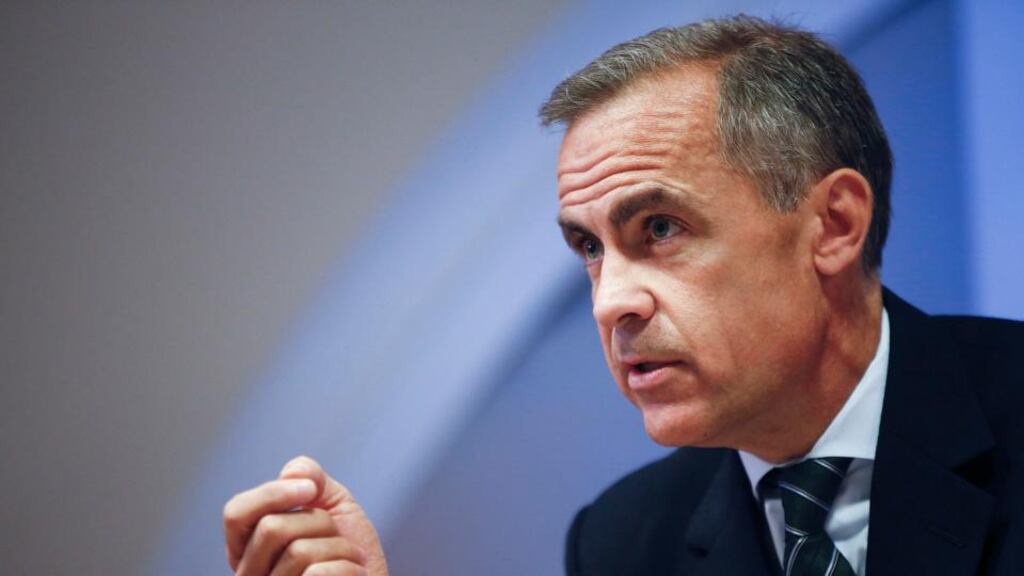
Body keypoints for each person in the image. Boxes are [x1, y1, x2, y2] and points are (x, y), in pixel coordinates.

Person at [222, 15, 1024, 576]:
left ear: (833, 225)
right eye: (589, 248)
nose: (611, 303)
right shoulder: (624, 542)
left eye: (661, 229)